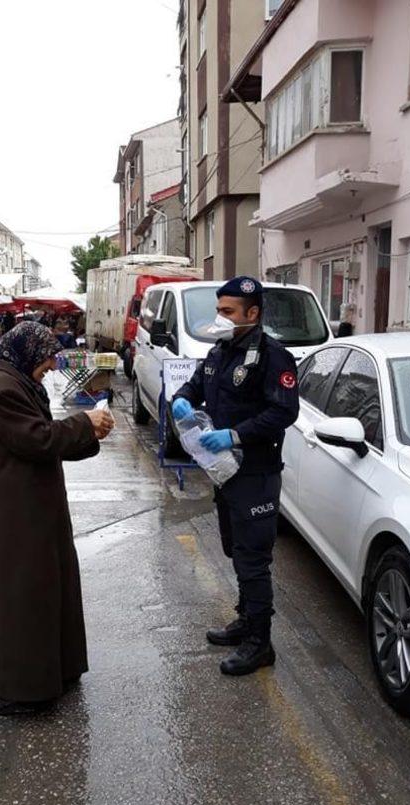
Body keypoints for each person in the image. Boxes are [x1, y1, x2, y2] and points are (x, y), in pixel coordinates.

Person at [0, 322, 114, 716]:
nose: (52, 366)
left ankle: (58, 671)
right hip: (18, 513)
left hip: (35, 505)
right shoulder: (0, 389)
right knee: (25, 599)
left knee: (52, 588)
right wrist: (85, 424)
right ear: (29, 352)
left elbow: (46, 439)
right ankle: (23, 689)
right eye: (48, 357)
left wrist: (89, 434)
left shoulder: (17, 382)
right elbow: (38, 439)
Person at [172, 276, 299, 677]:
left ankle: (260, 643)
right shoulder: (220, 350)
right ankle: (246, 618)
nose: (220, 318)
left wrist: (236, 433)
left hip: (256, 472)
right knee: (234, 549)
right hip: (225, 472)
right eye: (219, 310)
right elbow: (196, 384)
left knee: (253, 560)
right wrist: (182, 399)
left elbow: (284, 412)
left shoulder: (272, 356)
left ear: (253, 313)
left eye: (228, 312)